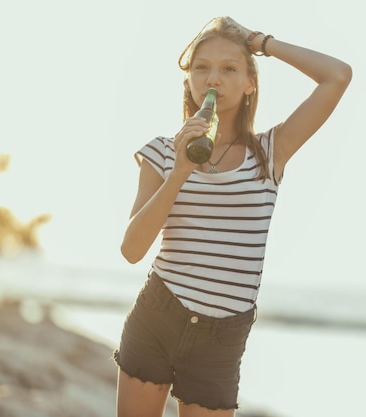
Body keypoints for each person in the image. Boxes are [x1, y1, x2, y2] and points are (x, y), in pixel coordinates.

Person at [113, 16, 352, 417]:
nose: (213, 79)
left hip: (221, 337)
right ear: (189, 79)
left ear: (249, 83)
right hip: (158, 315)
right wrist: (180, 173)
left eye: (229, 68)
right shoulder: (161, 153)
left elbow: (338, 76)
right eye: (202, 67)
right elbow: (131, 250)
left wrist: (261, 42)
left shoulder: (270, 152)